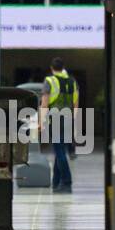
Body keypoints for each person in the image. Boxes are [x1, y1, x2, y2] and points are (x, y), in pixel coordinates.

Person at [41, 56, 79, 193]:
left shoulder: (49, 80)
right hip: (68, 118)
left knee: (59, 151)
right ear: (63, 68)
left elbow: (45, 103)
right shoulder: (72, 81)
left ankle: (67, 182)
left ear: (52, 68)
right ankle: (56, 182)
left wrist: (41, 122)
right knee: (60, 150)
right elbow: (76, 103)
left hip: (55, 119)